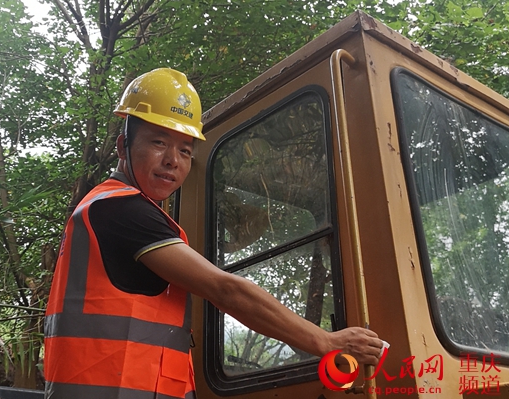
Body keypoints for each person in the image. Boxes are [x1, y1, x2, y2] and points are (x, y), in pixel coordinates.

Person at [44, 68, 384, 398]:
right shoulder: (120, 209)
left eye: (185, 150)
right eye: (159, 142)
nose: (172, 160)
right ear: (123, 146)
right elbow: (225, 290)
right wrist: (326, 341)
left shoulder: (116, 209)